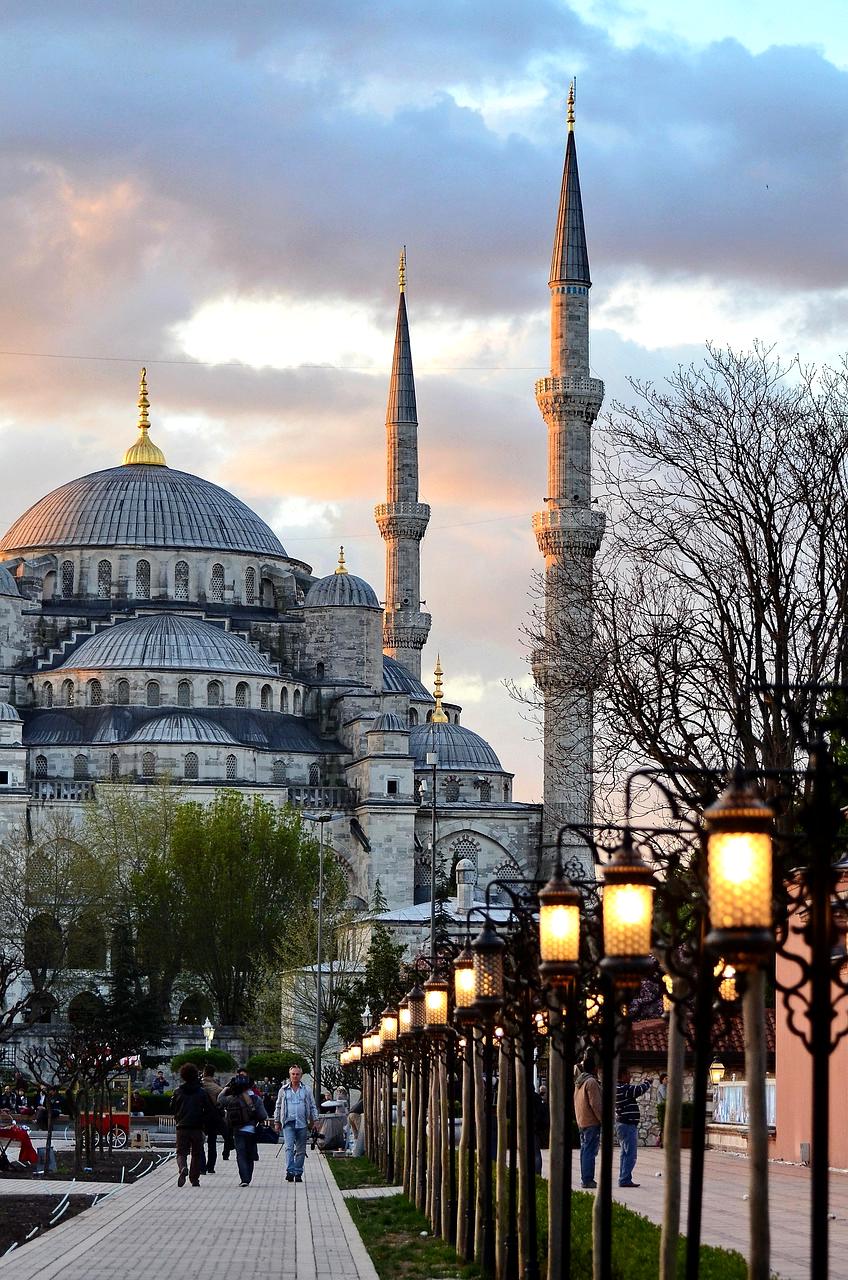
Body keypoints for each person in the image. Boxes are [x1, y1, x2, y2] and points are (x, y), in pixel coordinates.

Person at [171, 1063, 217, 1188]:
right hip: (196, 1126)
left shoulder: (178, 1091)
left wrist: (178, 1118)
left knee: (181, 1152)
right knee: (196, 1154)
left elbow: (172, 1108)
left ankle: (182, 1168)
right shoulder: (201, 1092)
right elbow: (209, 1109)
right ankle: (194, 1179)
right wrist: (203, 1121)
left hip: (182, 1126)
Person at [273, 1065, 319, 1183]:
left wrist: (315, 1120)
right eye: (293, 1074)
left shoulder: (306, 1090)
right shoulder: (283, 1090)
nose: (295, 1076)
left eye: (297, 1074)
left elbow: (313, 1106)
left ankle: (298, 1172)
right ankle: (290, 1171)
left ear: (301, 1075)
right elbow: (278, 1106)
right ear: (290, 1075)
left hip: (302, 1123)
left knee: (301, 1150)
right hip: (288, 1123)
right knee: (288, 1147)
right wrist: (277, 1121)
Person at [220, 1077, 267, 1186]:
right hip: (251, 1129)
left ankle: (244, 1179)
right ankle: (248, 1177)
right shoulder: (255, 1099)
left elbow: (220, 1099)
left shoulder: (231, 1098)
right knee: (249, 1154)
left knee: (240, 1154)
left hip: (237, 1130)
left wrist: (226, 1088)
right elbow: (263, 1115)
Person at [616, 1066, 652, 1188]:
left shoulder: (618, 1088)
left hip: (623, 1124)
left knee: (624, 1153)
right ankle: (625, 1179)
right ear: (621, 1076)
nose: (630, 1076)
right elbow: (639, 1089)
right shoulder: (623, 1088)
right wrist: (648, 1082)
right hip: (627, 1124)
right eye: (627, 1074)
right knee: (630, 1154)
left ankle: (623, 1177)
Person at [574, 1051, 602, 1189]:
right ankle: (588, 1179)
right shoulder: (591, 1082)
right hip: (591, 1122)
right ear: (595, 1068)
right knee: (590, 1151)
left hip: (582, 1121)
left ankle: (585, 1178)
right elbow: (595, 1104)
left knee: (585, 1150)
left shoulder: (579, 1082)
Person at [199, 1066, 222, 1174]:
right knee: (212, 1142)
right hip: (213, 1117)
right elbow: (221, 1103)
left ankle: (202, 1166)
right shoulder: (217, 1088)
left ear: (204, 1073)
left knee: (199, 1141)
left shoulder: (199, 1085)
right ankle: (211, 1166)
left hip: (201, 1116)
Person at [656, 1073, 668, 1147]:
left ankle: (660, 1140)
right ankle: (660, 1141)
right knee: (663, 1125)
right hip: (662, 1108)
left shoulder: (664, 1087)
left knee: (663, 1126)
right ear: (662, 1080)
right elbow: (665, 1097)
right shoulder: (662, 1087)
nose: (667, 1080)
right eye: (666, 1078)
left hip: (663, 1108)